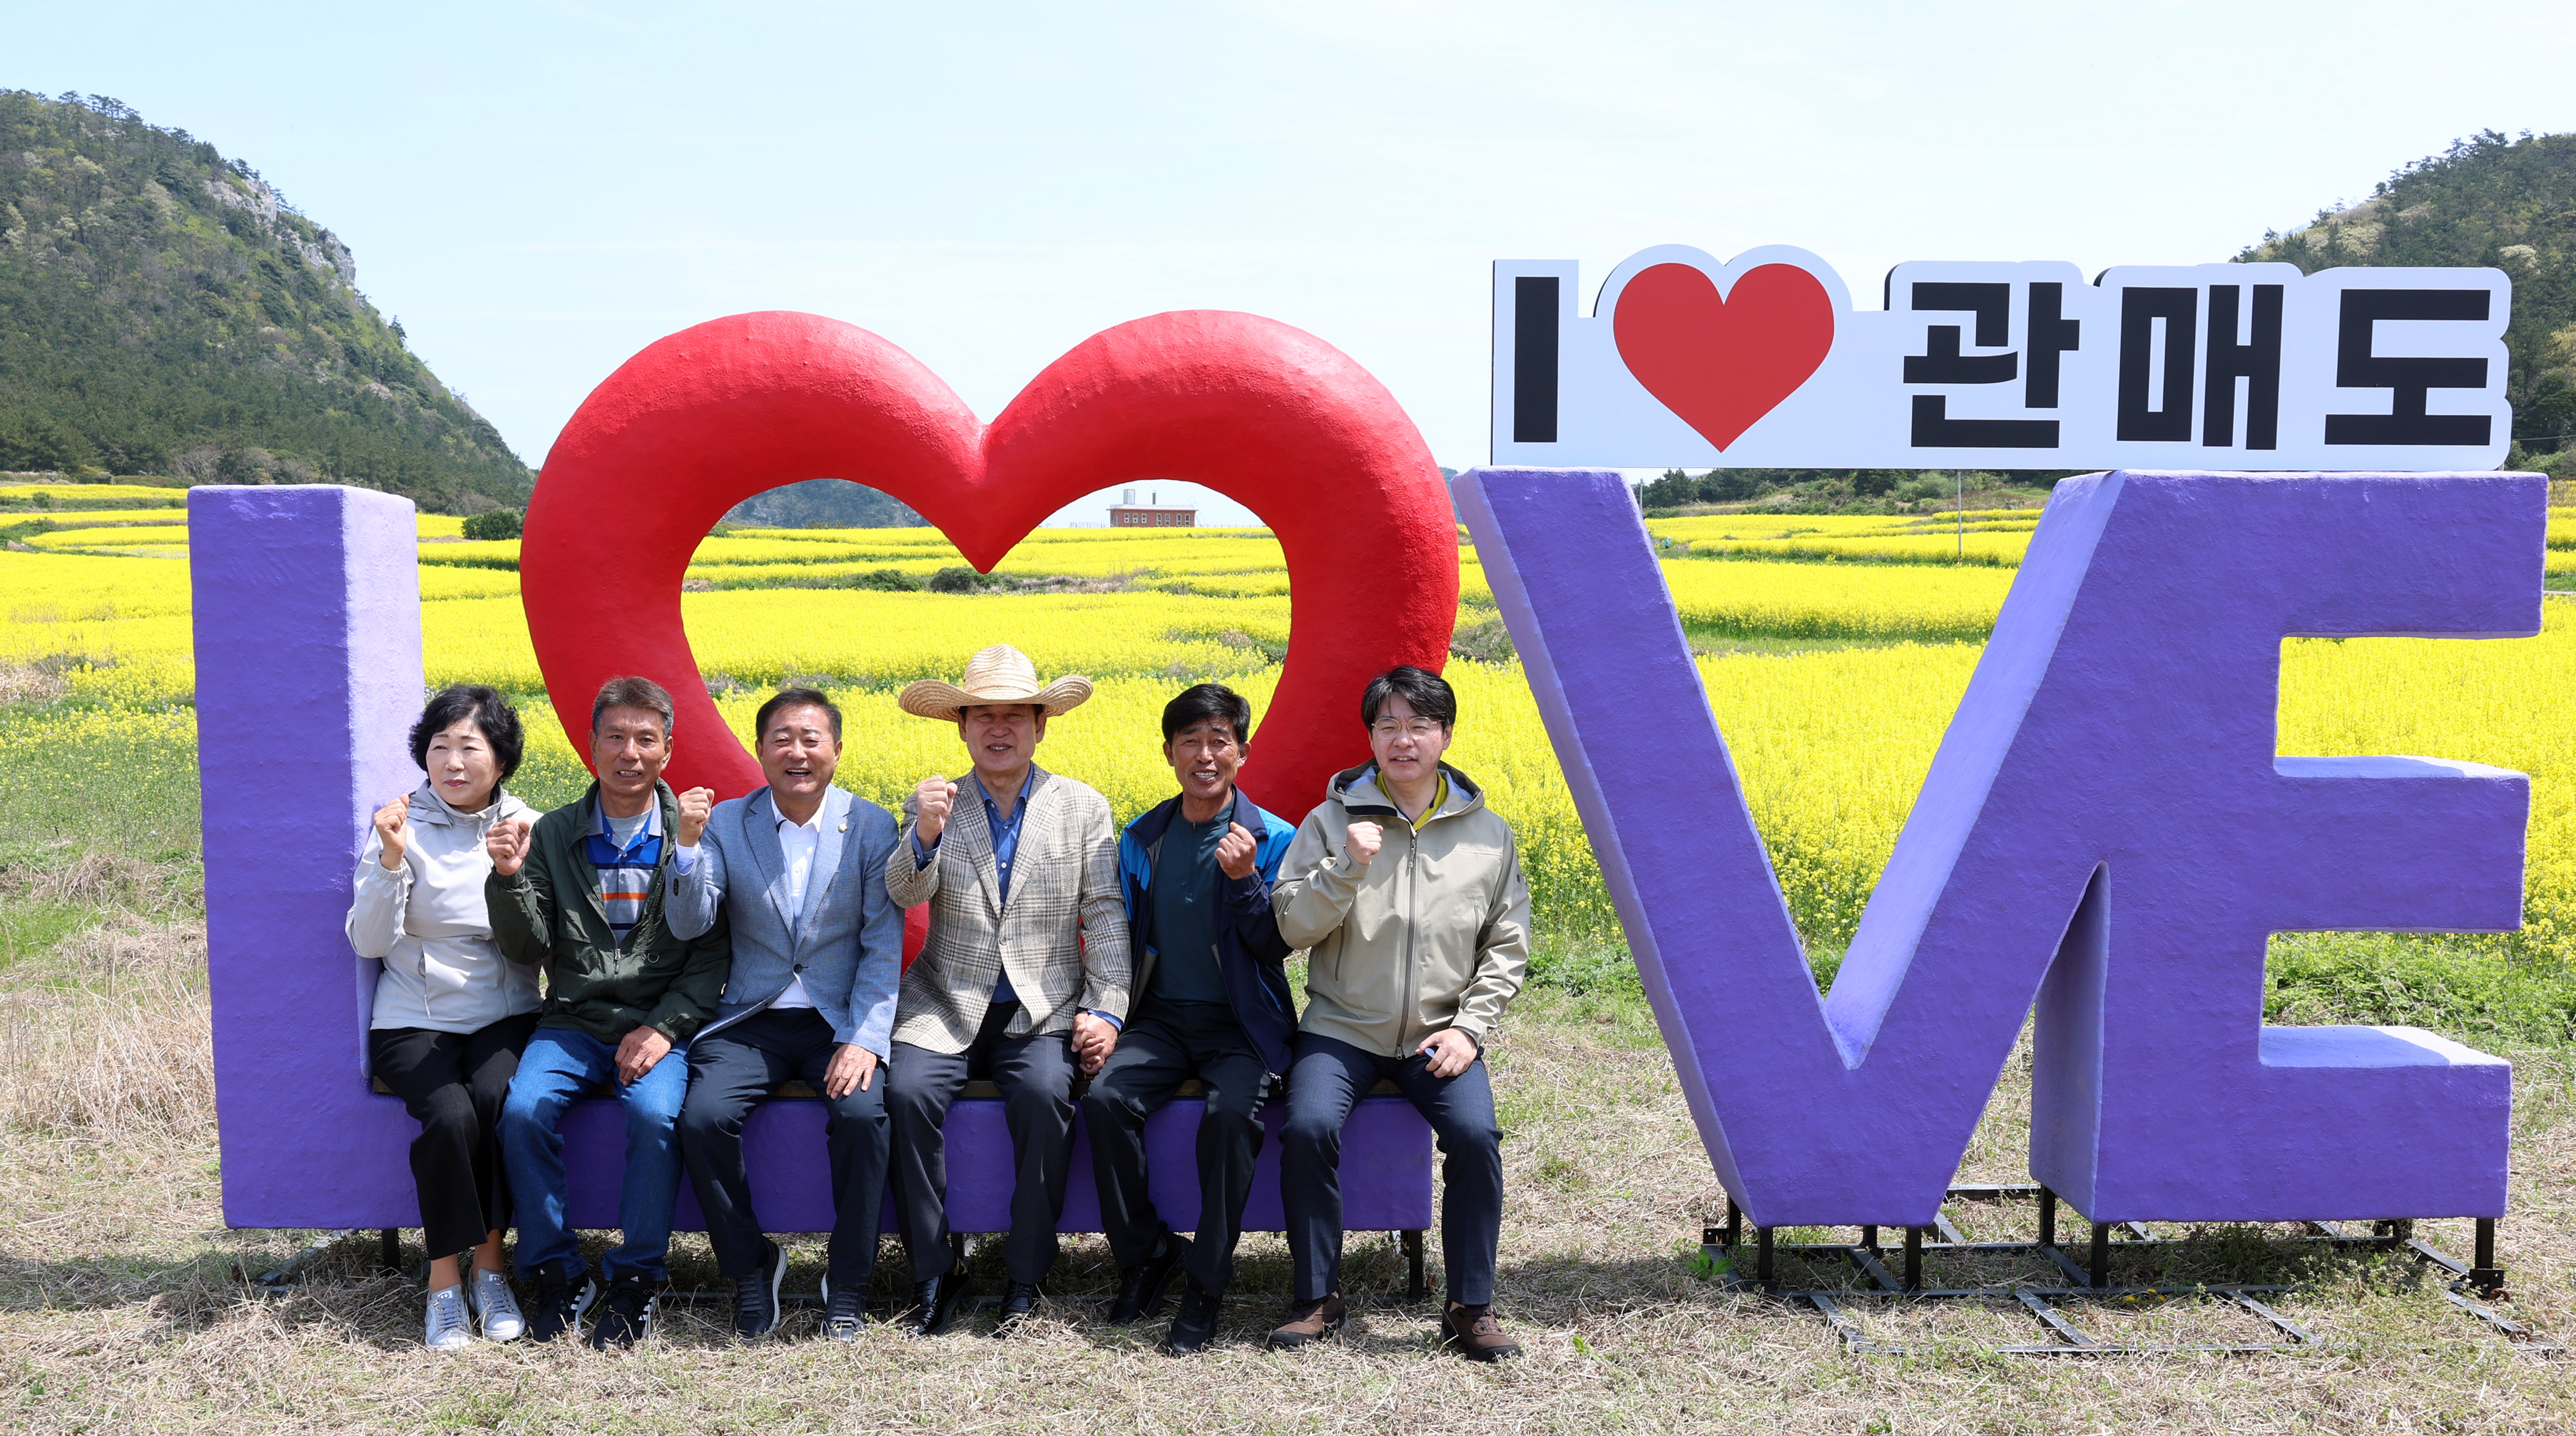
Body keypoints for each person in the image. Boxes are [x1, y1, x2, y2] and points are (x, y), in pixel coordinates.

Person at [1266, 665, 1532, 1361]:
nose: (1402, 739)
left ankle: (1468, 1304)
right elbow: (1290, 927)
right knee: (1307, 1126)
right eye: (1387, 725)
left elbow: (1507, 944)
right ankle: (1317, 1296)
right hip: (1340, 1028)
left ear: (1444, 735)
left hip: (1439, 1034)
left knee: (1476, 1140)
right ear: (1370, 736)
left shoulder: (1487, 835)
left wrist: (1469, 1029)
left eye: (1418, 725)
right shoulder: (1329, 823)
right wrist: (1345, 868)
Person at [883, 643, 1131, 1338]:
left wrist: (1105, 1008)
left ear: (1040, 725)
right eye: (983, 715)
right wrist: (925, 833)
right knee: (903, 1096)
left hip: (1041, 1008)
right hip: (943, 1002)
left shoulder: (1080, 806)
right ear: (960, 726)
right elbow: (903, 891)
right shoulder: (934, 801)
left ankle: (1025, 1273)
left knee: (1044, 1096)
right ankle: (934, 1270)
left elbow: (1106, 913)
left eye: (1015, 716)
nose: (999, 729)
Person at [487, 676, 730, 1349]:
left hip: (660, 1025)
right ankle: (558, 1271)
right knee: (523, 1110)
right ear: (591, 743)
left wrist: (664, 1027)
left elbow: (712, 956)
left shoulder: (693, 833)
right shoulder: (554, 832)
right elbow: (525, 946)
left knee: (655, 1115)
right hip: (571, 1022)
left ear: (668, 749)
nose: (629, 752)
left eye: (645, 739)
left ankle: (636, 1278)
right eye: (615, 736)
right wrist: (507, 879)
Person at [666, 688, 902, 1343]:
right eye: (781, 738)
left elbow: (883, 948)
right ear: (760, 748)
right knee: (703, 1117)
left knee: (862, 1115)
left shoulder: (873, 825)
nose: (797, 752)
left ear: (835, 748)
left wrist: (864, 1038)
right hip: (751, 1017)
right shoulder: (726, 822)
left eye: (811, 738)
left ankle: (848, 1280)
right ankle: (751, 1264)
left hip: (837, 1020)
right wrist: (684, 847)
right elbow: (690, 922)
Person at [1081, 683, 1298, 1354]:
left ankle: (1207, 1282)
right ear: (1169, 751)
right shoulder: (1143, 837)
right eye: (1190, 742)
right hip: (1160, 1018)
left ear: (1241, 750)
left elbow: (1276, 945)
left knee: (1231, 1117)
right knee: (1105, 1099)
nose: (1205, 755)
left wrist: (1245, 883)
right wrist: (1107, 1013)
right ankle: (1146, 1253)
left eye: (1218, 741)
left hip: (1242, 1022)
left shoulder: (1273, 838)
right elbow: (1119, 933)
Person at [345, 685, 541, 1350]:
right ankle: (443, 1284)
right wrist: (392, 859)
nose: (452, 763)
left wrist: (511, 873)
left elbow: (540, 941)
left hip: (505, 1011)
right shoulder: (396, 823)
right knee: (451, 1115)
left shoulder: (529, 826)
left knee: (492, 1099)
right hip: (411, 1016)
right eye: (439, 748)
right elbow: (369, 941)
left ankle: (490, 1272)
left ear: (502, 759)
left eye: (469, 747)